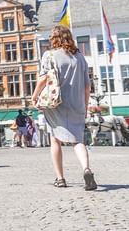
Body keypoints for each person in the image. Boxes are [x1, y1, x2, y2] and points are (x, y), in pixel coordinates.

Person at [32, 25, 96, 190]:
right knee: (78, 140)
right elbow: (87, 86)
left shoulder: (49, 55)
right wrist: (85, 104)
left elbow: (44, 78)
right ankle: (86, 169)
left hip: (56, 103)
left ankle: (60, 178)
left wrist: (35, 95)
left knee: (55, 139)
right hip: (77, 103)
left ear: (54, 39)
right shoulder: (80, 57)